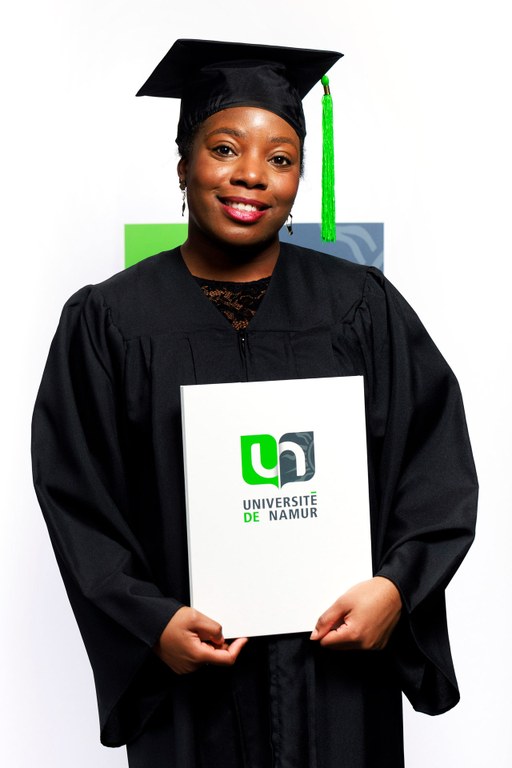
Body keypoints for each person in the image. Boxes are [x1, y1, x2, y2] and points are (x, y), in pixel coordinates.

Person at [32, 39, 478, 768]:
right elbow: (78, 495)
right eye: (224, 148)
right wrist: (151, 624)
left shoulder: (360, 306)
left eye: (281, 158)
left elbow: (435, 466)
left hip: (338, 686)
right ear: (183, 163)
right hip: (193, 690)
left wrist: (397, 589)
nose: (251, 175)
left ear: (300, 176)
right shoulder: (111, 322)